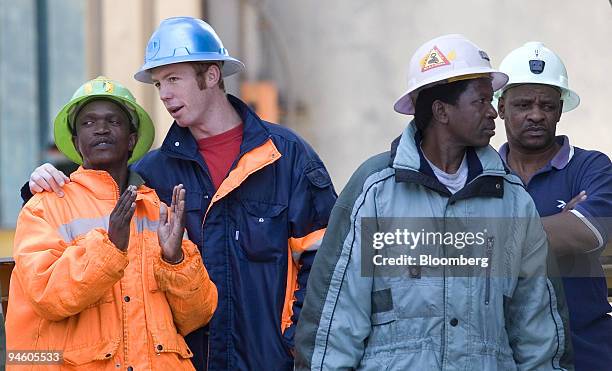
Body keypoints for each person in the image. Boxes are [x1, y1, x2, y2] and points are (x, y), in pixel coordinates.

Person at [24, 17, 337, 370]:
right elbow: (92, 198)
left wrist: (296, 345)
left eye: (174, 79)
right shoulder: (154, 173)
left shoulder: (286, 156)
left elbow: (327, 261)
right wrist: (41, 182)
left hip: (271, 361)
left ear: (212, 75)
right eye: (158, 84)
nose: (165, 94)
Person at [294, 34, 569, 370]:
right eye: (480, 101)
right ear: (442, 111)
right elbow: (336, 321)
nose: (493, 113)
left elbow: (537, 328)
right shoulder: (376, 192)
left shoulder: (512, 201)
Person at [7, 76, 217, 370]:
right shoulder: (45, 206)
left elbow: (198, 314)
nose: (102, 129)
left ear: (132, 140)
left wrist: (176, 260)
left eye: (114, 122)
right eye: (88, 123)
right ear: (76, 142)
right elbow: (47, 296)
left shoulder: (157, 210)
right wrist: (109, 247)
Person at [496, 42, 612, 371]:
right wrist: (561, 222)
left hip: (585, 350)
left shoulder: (593, 167)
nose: (536, 114)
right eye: (523, 104)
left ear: (559, 110)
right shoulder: (480, 173)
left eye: (547, 105)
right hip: (503, 353)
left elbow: (587, 233)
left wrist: (488, 233)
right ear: (501, 107)